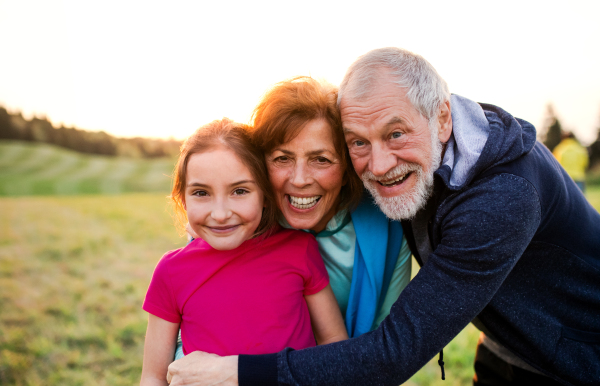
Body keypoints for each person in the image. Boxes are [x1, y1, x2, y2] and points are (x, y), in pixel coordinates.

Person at [166, 48, 600, 386]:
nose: (378, 164)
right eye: (358, 142)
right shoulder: (410, 158)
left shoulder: (502, 198)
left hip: (577, 362)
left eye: (395, 133)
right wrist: (220, 214)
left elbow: (393, 353)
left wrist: (238, 373)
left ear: (442, 119)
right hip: (507, 343)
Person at [166, 77, 413, 383]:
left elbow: (385, 347)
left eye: (321, 159)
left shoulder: (387, 231)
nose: (299, 180)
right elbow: (192, 331)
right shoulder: (235, 225)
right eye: (282, 158)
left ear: (347, 165)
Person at [139, 118, 348, 385]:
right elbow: (153, 377)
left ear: (264, 195)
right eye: (201, 193)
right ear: (182, 199)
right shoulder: (170, 271)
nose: (221, 214)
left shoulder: (299, 249)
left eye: (240, 191)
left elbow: (333, 342)